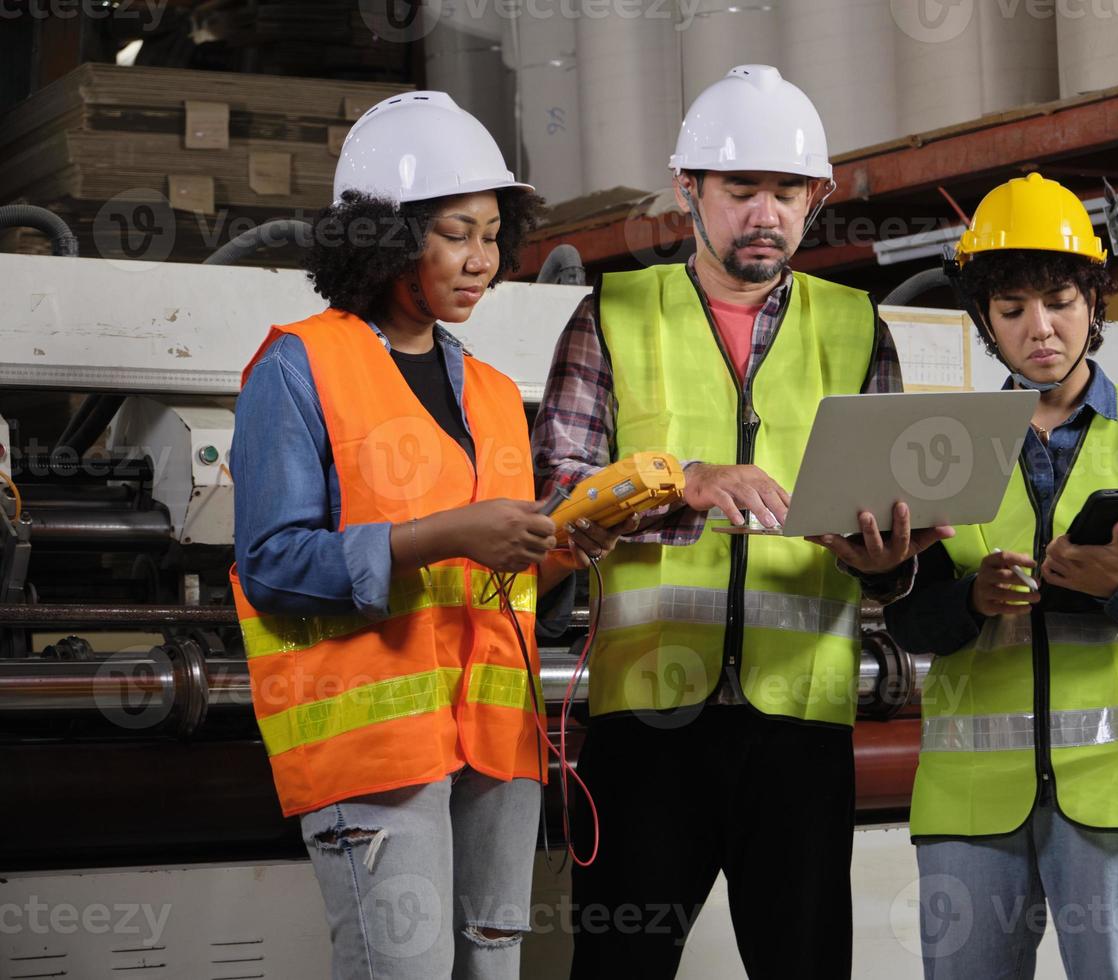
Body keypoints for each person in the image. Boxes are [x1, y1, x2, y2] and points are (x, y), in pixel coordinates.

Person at [532, 65, 949, 979]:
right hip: (647, 728)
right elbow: (557, 499)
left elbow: (886, 515)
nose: (766, 212)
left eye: (787, 191)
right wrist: (680, 480)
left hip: (799, 728)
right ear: (691, 192)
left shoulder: (856, 327)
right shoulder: (613, 315)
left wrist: (887, 561)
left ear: (818, 199)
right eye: (741, 189)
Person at [230, 91, 620, 979]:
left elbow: (499, 586)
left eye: (492, 234)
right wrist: (444, 533)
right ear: (384, 239)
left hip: (496, 748)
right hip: (378, 751)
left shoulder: (487, 389)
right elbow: (273, 567)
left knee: (491, 970)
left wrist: (565, 548)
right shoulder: (298, 366)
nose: (482, 260)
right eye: (456, 233)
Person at [883, 172, 1118, 979]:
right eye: (1013, 310)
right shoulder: (944, 439)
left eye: (1062, 300)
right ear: (984, 322)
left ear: (1096, 303)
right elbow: (909, 622)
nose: (1041, 328)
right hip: (972, 806)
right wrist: (970, 597)